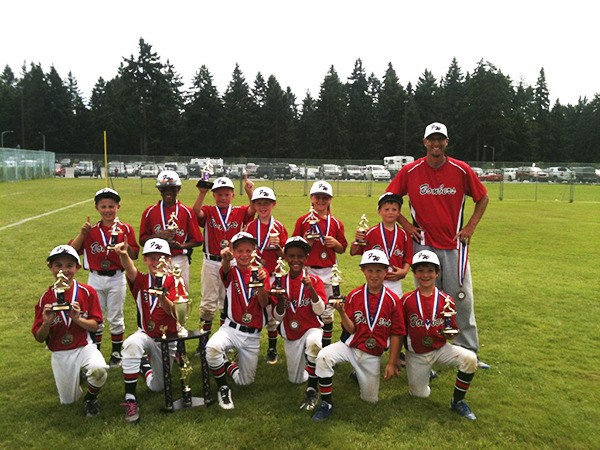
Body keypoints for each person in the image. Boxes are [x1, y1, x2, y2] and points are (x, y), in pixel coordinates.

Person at [386, 122, 490, 369]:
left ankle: (468, 352)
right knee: (425, 301)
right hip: (423, 246)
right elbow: (389, 199)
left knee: (461, 299)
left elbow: (482, 197)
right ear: (424, 143)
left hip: (455, 246)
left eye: (440, 139)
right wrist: (406, 226)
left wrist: (471, 227)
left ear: (446, 142)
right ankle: (425, 351)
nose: (436, 143)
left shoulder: (460, 169)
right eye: (431, 139)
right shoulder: (410, 171)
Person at [311, 249, 405, 421]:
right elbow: (351, 329)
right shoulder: (354, 295)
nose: (374, 275)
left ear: (386, 272)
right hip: (350, 346)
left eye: (379, 270)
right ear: (363, 271)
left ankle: (358, 374)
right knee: (324, 356)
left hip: (372, 353)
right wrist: (341, 312)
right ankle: (326, 403)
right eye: (370, 270)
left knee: (370, 400)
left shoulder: (392, 300)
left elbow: (397, 333)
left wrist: (391, 362)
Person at [400, 250, 479, 420]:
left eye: (430, 271)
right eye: (420, 270)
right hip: (416, 354)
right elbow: (399, 332)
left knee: (470, 359)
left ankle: (457, 401)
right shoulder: (406, 300)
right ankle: (426, 373)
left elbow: (452, 331)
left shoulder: (447, 300)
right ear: (414, 273)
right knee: (419, 395)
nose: (425, 275)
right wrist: (394, 360)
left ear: (437, 273)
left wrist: (450, 334)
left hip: (440, 348)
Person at [32, 245, 108, 417]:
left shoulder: (87, 292)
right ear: (50, 267)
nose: (64, 270)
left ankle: (91, 398)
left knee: (99, 370)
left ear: (77, 267)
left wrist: (77, 319)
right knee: (68, 401)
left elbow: (96, 326)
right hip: (60, 351)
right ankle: (76, 378)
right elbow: (39, 337)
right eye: (58, 265)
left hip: (83, 346)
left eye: (69, 265)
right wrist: (46, 323)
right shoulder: (46, 299)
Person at [69, 188, 140, 367]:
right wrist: (82, 234)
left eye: (111, 206)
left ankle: (116, 352)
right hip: (95, 277)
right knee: (96, 316)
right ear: (97, 208)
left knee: (116, 315)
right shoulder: (91, 231)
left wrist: (125, 246)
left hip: (117, 277)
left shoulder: (125, 229)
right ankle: (95, 351)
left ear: (118, 207)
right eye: (103, 206)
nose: (108, 210)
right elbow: (72, 251)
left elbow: (135, 254)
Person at [113, 237, 179, 424]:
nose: (156, 262)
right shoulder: (142, 280)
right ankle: (130, 399)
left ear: (168, 260)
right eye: (151, 258)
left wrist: (162, 295)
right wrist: (124, 255)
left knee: (158, 387)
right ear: (145, 260)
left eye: (160, 257)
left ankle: (145, 367)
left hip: (168, 338)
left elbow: (174, 311)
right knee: (131, 344)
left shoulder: (175, 281)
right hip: (146, 333)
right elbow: (129, 269)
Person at [204, 232, 270, 410]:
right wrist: (225, 258)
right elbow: (225, 268)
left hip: (253, 335)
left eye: (248, 250)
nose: (244, 254)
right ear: (233, 251)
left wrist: (261, 284)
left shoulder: (262, 273)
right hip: (231, 329)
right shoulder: (231, 271)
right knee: (212, 348)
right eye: (239, 250)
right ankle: (223, 387)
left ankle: (226, 364)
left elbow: (264, 303)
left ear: (254, 251)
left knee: (244, 382)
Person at [193, 175, 255, 334]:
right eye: (219, 194)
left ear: (233, 195)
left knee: (227, 300)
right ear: (213, 195)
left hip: (232, 263)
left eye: (226, 194)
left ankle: (224, 337)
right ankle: (204, 340)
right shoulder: (209, 210)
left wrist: (250, 191)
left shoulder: (239, 211)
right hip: (211, 262)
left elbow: (253, 208)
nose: (223, 198)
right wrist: (201, 193)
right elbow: (195, 213)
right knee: (208, 302)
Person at [271, 237, 327, 411]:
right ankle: (311, 367)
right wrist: (281, 301)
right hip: (291, 330)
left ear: (306, 258)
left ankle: (312, 389)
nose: (296, 260)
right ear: (286, 257)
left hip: (311, 327)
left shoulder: (315, 281)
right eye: (292, 256)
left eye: (300, 256)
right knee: (295, 379)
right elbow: (277, 317)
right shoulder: (279, 283)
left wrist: (310, 289)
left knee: (315, 344)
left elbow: (320, 311)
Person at [293, 180, 347, 347]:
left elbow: (343, 248)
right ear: (311, 198)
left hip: (329, 271)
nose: (321, 201)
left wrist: (335, 244)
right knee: (309, 308)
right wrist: (306, 243)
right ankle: (308, 344)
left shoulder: (336, 223)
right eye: (318, 197)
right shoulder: (303, 221)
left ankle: (326, 347)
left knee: (328, 311)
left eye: (325, 198)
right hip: (309, 270)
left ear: (330, 199)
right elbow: (294, 248)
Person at [244, 186, 289, 364]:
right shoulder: (249, 227)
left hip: (272, 275)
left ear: (273, 205)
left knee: (271, 313)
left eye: (267, 204)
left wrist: (278, 247)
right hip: (253, 275)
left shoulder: (279, 227)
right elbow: (244, 252)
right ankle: (248, 345)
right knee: (252, 308)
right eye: (259, 204)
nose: (263, 207)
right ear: (254, 205)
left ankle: (271, 347)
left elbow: (285, 257)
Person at [139, 170, 203, 289]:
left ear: (178, 189)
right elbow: (142, 241)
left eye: (172, 189)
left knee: (180, 295)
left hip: (179, 260)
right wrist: (159, 235)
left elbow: (198, 240)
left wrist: (181, 246)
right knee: (158, 294)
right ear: (159, 190)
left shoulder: (187, 212)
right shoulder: (149, 212)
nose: (168, 192)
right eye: (164, 189)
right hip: (157, 259)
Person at [350, 192, 413, 297]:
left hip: (395, 281)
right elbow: (354, 251)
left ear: (399, 213)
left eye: (394, 209)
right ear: (379, 211)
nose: (390, 213)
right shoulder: (370, 232)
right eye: (386, 209)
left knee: (395, 307)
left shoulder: (404, 234)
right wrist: (357, 240)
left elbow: (408, 257)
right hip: (375, 280)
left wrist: (404, 271)